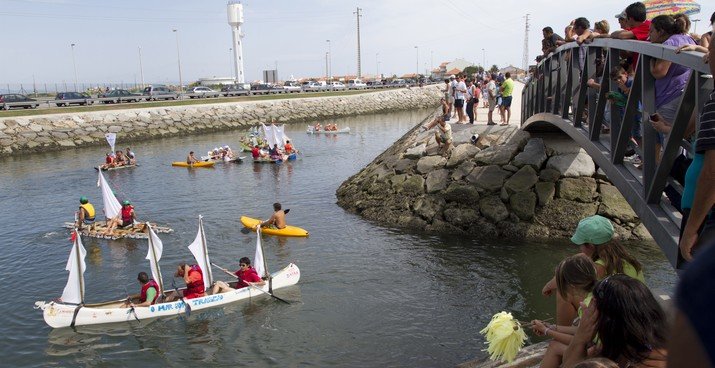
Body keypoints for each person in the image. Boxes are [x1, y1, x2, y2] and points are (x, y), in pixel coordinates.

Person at [541, 215, 644, 326]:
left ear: (590, 246)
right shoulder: (625, 258)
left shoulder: (598, 268)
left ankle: (562, 331)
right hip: (637, 314)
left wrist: (548, 286)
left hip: (620, 323)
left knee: (565, 290)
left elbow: (565, 276)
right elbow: (579, 258)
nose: (580, 248)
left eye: (581, 245)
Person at [562, 275, 668, 368]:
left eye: (595, 308)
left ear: (608, 321)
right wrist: (581, 335)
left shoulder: (648, 362)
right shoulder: (628, 349)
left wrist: (581, 336)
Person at [679, 31, 715, 261]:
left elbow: (712, 172)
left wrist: (693, 228)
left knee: (698, 287)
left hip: (704, 215)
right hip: (700, 208)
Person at [532, 255, 598, 368]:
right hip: (602, 347)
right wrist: (553, 327)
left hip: (602, 355)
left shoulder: (587, 306)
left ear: (572, 286)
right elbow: (580, 330)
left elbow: (579, 341)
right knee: (556, 345)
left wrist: (547, 331)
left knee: (554, 346)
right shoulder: (595, 295)